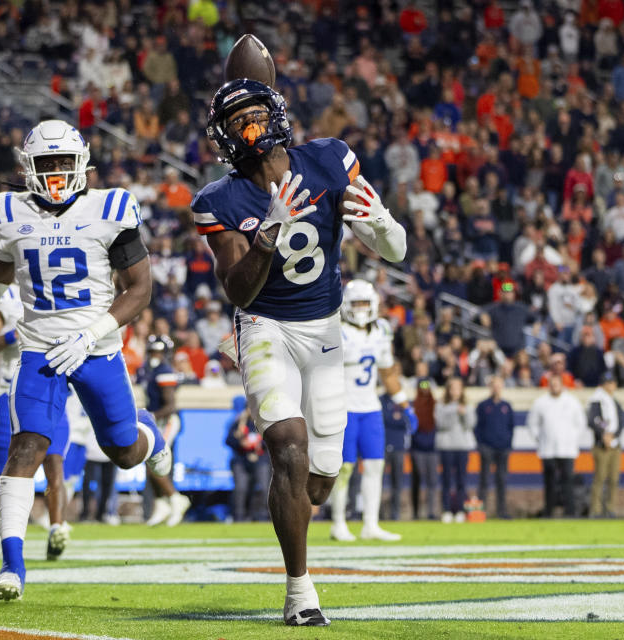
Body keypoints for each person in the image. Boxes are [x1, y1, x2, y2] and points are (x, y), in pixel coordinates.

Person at [191, 78, 406, 626]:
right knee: (287, 447)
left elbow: (396, 252)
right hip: (264, 326)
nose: (251, 126)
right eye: (237, 120)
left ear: (279, 113)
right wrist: (267, 233)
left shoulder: (331, 160)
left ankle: (304, 517)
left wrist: (380, 222)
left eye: (256, 113)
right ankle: (299, 593)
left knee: (320, 477)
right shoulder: (220, 199)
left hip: (324, 326)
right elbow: (239, 292)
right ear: (223, 136)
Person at [0, 120, 170, 602]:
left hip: (98, 348)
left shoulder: (109, 208)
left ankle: (151, 431)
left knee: (124, 451)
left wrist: (91, 334)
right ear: (30, 168)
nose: (59, 171)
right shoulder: (8, 213)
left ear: (82, 162)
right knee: (27, 447)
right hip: (39, 349)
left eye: (66, 161)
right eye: (49, 163)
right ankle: (12, 567)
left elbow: (140, 289)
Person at [0, 284, 72, 557]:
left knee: (54, 464)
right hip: (11, 392)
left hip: (51, 390)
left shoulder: (61, 287)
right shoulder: (5, 297)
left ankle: (56, 528)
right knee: (2, 471)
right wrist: (14, 335)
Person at [330, 280, 411, 542]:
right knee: (344, 468)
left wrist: (404, 404)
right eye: (357, 303)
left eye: (365, 303)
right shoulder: (337, 331)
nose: (362, 308)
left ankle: (370, 524)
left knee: (376, 465)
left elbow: (387, 372)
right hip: (344, 409)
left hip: (371, 408)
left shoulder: (381, 330)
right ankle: (339, 523)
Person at [140, 337, 191, 527]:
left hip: (167, 421)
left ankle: (176, 498)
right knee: (148, 463)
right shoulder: (146, 370)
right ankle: (162, 503)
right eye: (152, 352)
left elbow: (170, 406)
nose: (155, 356)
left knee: (155, 459)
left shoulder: (165, 371)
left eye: (158, 353)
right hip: (156, 421)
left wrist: (150, 416)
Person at [527, 373, 587, 517]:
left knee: (568, 482)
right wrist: (539, 439)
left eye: (557, 384)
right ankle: (549, 512)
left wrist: (573, 440)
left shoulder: (572, 402)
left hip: (567, 449)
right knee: (550, 483)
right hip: (547, 449)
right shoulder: (541, 402)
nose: (554, 387)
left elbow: (581, 424)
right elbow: (532, 423)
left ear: (562, 385)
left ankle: (570, 512)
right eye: (552, 384)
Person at [434, 377, 476, 522]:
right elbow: (441, 424)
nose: (455, 391)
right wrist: (454, 412)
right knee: (446, 480)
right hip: (446, 446)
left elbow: (470, 424)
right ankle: (446, 510)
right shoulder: (441, 405)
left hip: (462, 446)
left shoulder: (467, 405)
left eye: (458, 388)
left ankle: (460, 510)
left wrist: (464, 413)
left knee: (461, 481)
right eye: (453, 388)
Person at [475, 376, 514, 519]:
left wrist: (508, 445)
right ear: (490, 387)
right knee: (484, 480)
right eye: (494, 385)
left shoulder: (506, 406)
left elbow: (511, 427)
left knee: (502, 480)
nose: (496, 388)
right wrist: (481, 445)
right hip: (487, 448)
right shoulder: (483, 406)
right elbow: (477, 427)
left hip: (503, 448)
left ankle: (502, 511)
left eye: (499, 385)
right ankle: (481, 511)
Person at [225, 399, 270, 522]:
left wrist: (260, 444)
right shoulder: (238, 423)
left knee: (263, 488)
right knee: (241, 489)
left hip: (261, 460)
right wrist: (240, 443)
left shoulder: (264, 424)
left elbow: (272, 440)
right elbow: (228, 440)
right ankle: (239, 517)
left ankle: (262, 516)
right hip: (241, 461)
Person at [587, 371, 624, 518]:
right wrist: (604, 434)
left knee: (614, 478)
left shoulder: (615, 402)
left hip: (615, 444)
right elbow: (594, 419)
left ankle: (610, 508)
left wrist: (613, 435)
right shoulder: (597, 401)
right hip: (601, 445)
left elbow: (620, 423)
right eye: (607, 383)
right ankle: (595, 510)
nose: (610, 385)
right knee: (600, 477)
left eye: (612, 382)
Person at [381, 391, 416, 522]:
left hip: (399, 447)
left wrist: (394, 418)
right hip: (383, 446)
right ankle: (378, 514)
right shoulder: (381, 399)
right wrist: (395, 418)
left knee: (397, 483)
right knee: (377, 482)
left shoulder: (403, 400)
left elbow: (408, 421)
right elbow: (383, 418)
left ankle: (395, 514)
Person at [410, 377, 438, 520]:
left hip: (432, 449)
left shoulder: (435, 405)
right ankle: (416, 512)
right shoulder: (414, 406)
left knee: (432, 482)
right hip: (417, 449)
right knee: (417, 480)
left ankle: (431, 512)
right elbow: (411, 428)